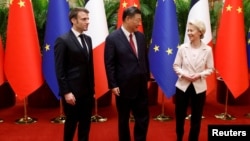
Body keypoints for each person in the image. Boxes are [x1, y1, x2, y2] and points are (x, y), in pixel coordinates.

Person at [104, 6, 150, 141]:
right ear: (127, 19)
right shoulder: (112, 38)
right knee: (123, 119)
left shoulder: (140, 37)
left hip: (141, 86)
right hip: (123, 87)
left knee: (143, 117)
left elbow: (144, 59)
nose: (139, 23)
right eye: (137, 20)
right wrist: (113, 84)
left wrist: (146, 78)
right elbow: (109, 63)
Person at [54, 7, 94, 141]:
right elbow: (59, 69)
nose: (87, 22)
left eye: (88, 19)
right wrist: (66, 92)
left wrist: (92, 89)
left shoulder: (88, 39)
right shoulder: (63, 40)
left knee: (85, 125)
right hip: (72, 94)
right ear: (73, 20)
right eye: (84, 19)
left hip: (87, 93)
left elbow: (90, 67)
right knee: (71, 124)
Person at [173, 19, 214, 141]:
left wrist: (200, 75)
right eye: (188, 30)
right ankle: (179, 137)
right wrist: (184, 74)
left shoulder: (207, 50)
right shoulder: (182, 48)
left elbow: (211, 69)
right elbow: (175, 65)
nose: (189, 33)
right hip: (182, 85)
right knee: (180, 115)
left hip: (199, 86)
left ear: (200, 32)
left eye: (191, 30)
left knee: (196, 117)